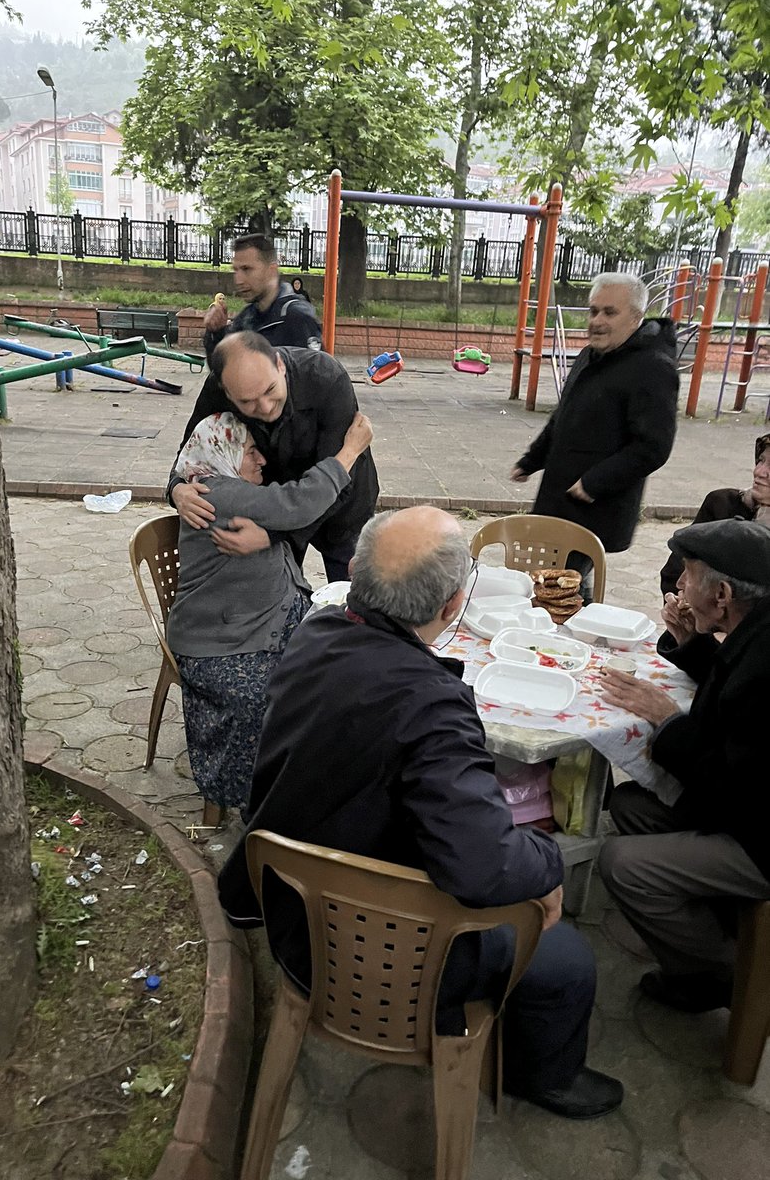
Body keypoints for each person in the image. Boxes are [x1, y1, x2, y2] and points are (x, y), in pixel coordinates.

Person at [218, 506, 624, 1119]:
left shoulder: (314, 633)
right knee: (567, 959)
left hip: (285, 905)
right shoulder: (433, 708)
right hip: (377, 955)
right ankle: (545, 1077)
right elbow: (482, 871)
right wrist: (547, 865)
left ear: (354, 575)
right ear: (452, 605)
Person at [166, 409, 373, 826]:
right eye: (250, 451)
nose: (262, 460)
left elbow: (284, 514)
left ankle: (309, 779)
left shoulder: (223, 485)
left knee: (341, 663)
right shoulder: (217, 492)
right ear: (222, 452)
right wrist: (349, 452)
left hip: (258, 622)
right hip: (221, 642)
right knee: (281, 695)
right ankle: (263, 803)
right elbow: (298, 504)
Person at [598, 519, 770, 1013]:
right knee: (629, 804)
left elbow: (733, 782)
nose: (678, 585)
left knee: (622, 864)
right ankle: (710, 916)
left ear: (721, 593)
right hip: (741, 810)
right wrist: (691, 642)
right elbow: (729, 685)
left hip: (758, 834)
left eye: (687, 575)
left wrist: (669, 722)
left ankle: (727, 974)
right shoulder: (753, 627)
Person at [511, 272, 679, 597]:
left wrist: (594, 483)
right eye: (593, 311)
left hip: (595, 504)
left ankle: (571, 638)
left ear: (636, 317)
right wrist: (532, 459)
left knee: (561, 588)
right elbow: (564, 416)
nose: (597, 321)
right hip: (559, 496)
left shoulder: (653, 368)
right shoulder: (593, 354)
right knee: (554, 582)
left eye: (609, 312)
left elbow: (653, 446)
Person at [167, 331, 379, 583]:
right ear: (227, 392)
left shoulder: (325, 378)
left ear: (280, 365)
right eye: (247, 402)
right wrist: (176, 489)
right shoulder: (217, 387)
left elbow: (342, 476)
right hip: (272, 509)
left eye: (270, 390)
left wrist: (274, 535)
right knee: (284, 596)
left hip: (342, 510)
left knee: (356, 602)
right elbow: (192, 450)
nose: (265, 407)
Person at [659, 432, 770, 596]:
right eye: (761, 460)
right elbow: (674, 573)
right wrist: (679, 606)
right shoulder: (723, 504)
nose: (759, 471)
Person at [202, 234, 322, 365]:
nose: (238, 280)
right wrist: (216, 334)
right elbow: (222, 373)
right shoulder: (246, 318)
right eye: (235, 270)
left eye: (246, 269)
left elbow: (319, 377)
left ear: (271, 270)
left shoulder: (297, 318)